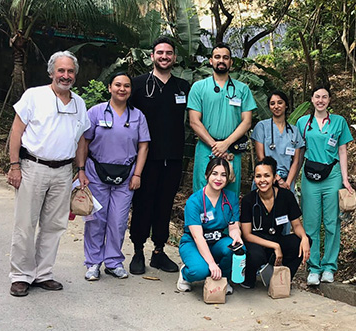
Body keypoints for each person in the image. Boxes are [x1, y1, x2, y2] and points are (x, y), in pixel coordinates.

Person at [7, 51, 90, 297]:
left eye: (70, 71)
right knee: (25, 223)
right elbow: (16, 131)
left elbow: (81, 139)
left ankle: (43, 274)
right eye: (61, 71)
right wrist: (14, 165)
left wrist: (81, 169)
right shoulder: (34, 96)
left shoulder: (79, 103)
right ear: (52, 72)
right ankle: (21, 275)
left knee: (54, 225)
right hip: (33, 167)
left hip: (64, 171)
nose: (66, 76)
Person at [78, 72, 150, 280]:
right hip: (96, 173)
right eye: (117, 85)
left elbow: (143, 146)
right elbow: (84, 142)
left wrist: (137, 174)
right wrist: (81, 169)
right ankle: (92, 263)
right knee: (96, 220)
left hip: (125, 176)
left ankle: (113, 261)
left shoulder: (138, 116)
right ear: (109, 87)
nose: (122, 89)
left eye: (126, 86)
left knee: (118, 221)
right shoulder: (95, 112)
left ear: (130, 90)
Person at [128, 36, 190, 275]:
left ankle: (159, 252)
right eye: (160, 52)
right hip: (146, 159)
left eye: (169, 53)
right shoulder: (138, 84)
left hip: (173, 158)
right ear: (152, 56)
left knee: (165, 206)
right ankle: (137, 251)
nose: (164, 56)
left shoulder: (182, 87)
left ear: (174, 57)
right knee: (143, 204)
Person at [296, 85, 354, 286]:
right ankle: (313, 267)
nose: (320, 100)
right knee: (311, 224)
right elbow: (299, 153)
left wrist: (345, 179)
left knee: (332, 223)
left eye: (324, 97)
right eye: (317, 97)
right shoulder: (303, 122)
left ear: (329, 100)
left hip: (333, 176)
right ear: (311, 99)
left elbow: (343, 151)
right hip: (309, 177)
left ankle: (329, 266)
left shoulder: (339, 122)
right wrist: (293, 178)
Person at [188, 43, 257, 195]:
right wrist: (215, 146)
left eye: (226, 58)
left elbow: (247, 121)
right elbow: (194, 121)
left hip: (231, 149)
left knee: (230, 192)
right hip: (206, 148)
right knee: (202, 191)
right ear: (210, 61)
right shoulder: (198, 87)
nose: (221, 61)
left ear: (231, 62)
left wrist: (226, 144)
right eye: (217, 57)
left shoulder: (242, 89)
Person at [240, 157, 310, 289]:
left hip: (276, 239)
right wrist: (275, 246)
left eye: (267, 176)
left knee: (300, 242)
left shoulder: (286, 196)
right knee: (255, 256)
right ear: (254, 179)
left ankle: (282, 279)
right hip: (256, 243)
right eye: (258, 176)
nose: (262, 180)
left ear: (274, 178)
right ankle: (249, 278)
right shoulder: (248, 200)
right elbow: (247, 235)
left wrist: (304, 238)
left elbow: (296, 225)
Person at [177, 157, 242, 295]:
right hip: (194, 242)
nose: (219, 178)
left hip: (218, 240)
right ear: (207, 175)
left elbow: (233, 226)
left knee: (235, 248)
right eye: (215, 173)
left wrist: (236, 236)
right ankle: (185, 274)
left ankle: (222, 279)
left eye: (223, 175)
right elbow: (197, 236)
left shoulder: (231, 198)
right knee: (200, 271)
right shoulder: (194, 201)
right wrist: (211, 263)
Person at [251, 91, 303, 193]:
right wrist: (278, 179)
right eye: (272, 103)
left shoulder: (294, 131)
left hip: (287, 181)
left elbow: (295, 161)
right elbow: (261, 158)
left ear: (286, 105)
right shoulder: (262, 127)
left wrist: (287, 183)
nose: (276, 106)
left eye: (280, 102)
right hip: (265, 178)